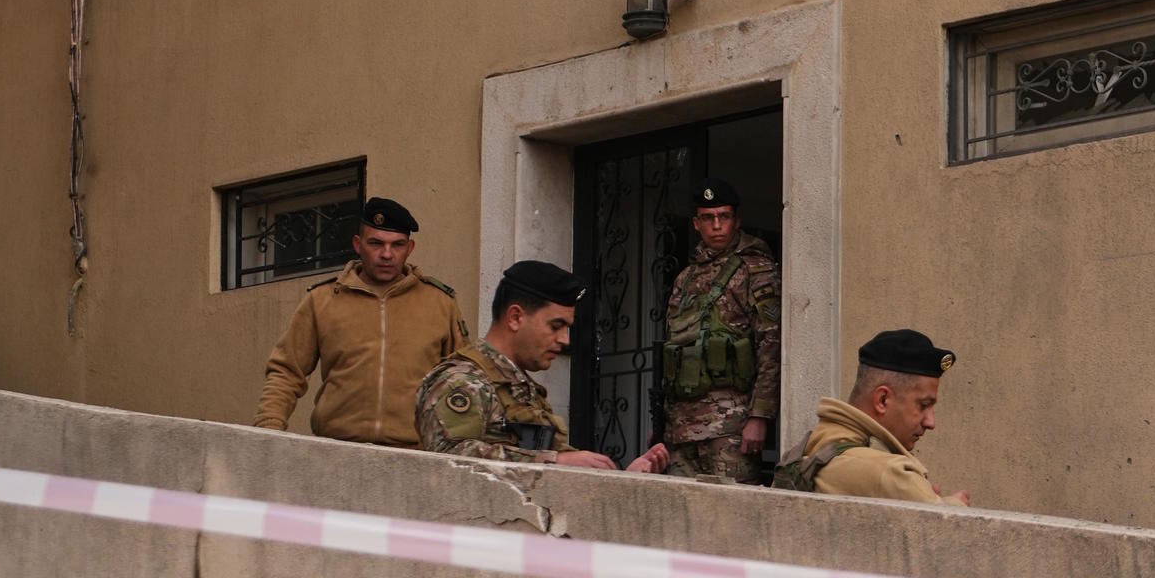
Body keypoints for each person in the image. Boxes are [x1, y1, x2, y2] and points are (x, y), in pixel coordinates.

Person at [255, 197, 468, 447]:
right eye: (376, 243)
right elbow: (286, 372)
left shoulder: (440, 303)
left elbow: (462, 382)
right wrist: (268, 431)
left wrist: (461, 450)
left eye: (397, 245)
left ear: (410, 248)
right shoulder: (322, 300)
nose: (387, 254)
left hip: (416, 457)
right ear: (358, 244)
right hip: (337, 451)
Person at [416, 260, 664, 472]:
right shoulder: (462, 381)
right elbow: (450, 460)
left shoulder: (523, 389)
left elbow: (556, 471)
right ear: (515, 317)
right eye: (556, 326)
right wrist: (554, 461)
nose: (565, 340)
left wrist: (625, 477)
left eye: (567, 328)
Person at [658, 179, 781, 485]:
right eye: (708, 218)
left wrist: (759, 417)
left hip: (731, 426)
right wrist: (663, 420)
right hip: (681, 429)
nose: (717, 226)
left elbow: (771, 344)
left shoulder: (755, 270)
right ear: (696, 224)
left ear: (736, 220)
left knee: (731, 521)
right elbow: (674, 349)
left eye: (724, 217)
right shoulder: (685, 278)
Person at [773, 330, 969, 504]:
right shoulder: (892, 474)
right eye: (923, 405)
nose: (931, 422)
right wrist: (954, 504)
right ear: (882, 400)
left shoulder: (807, 450)